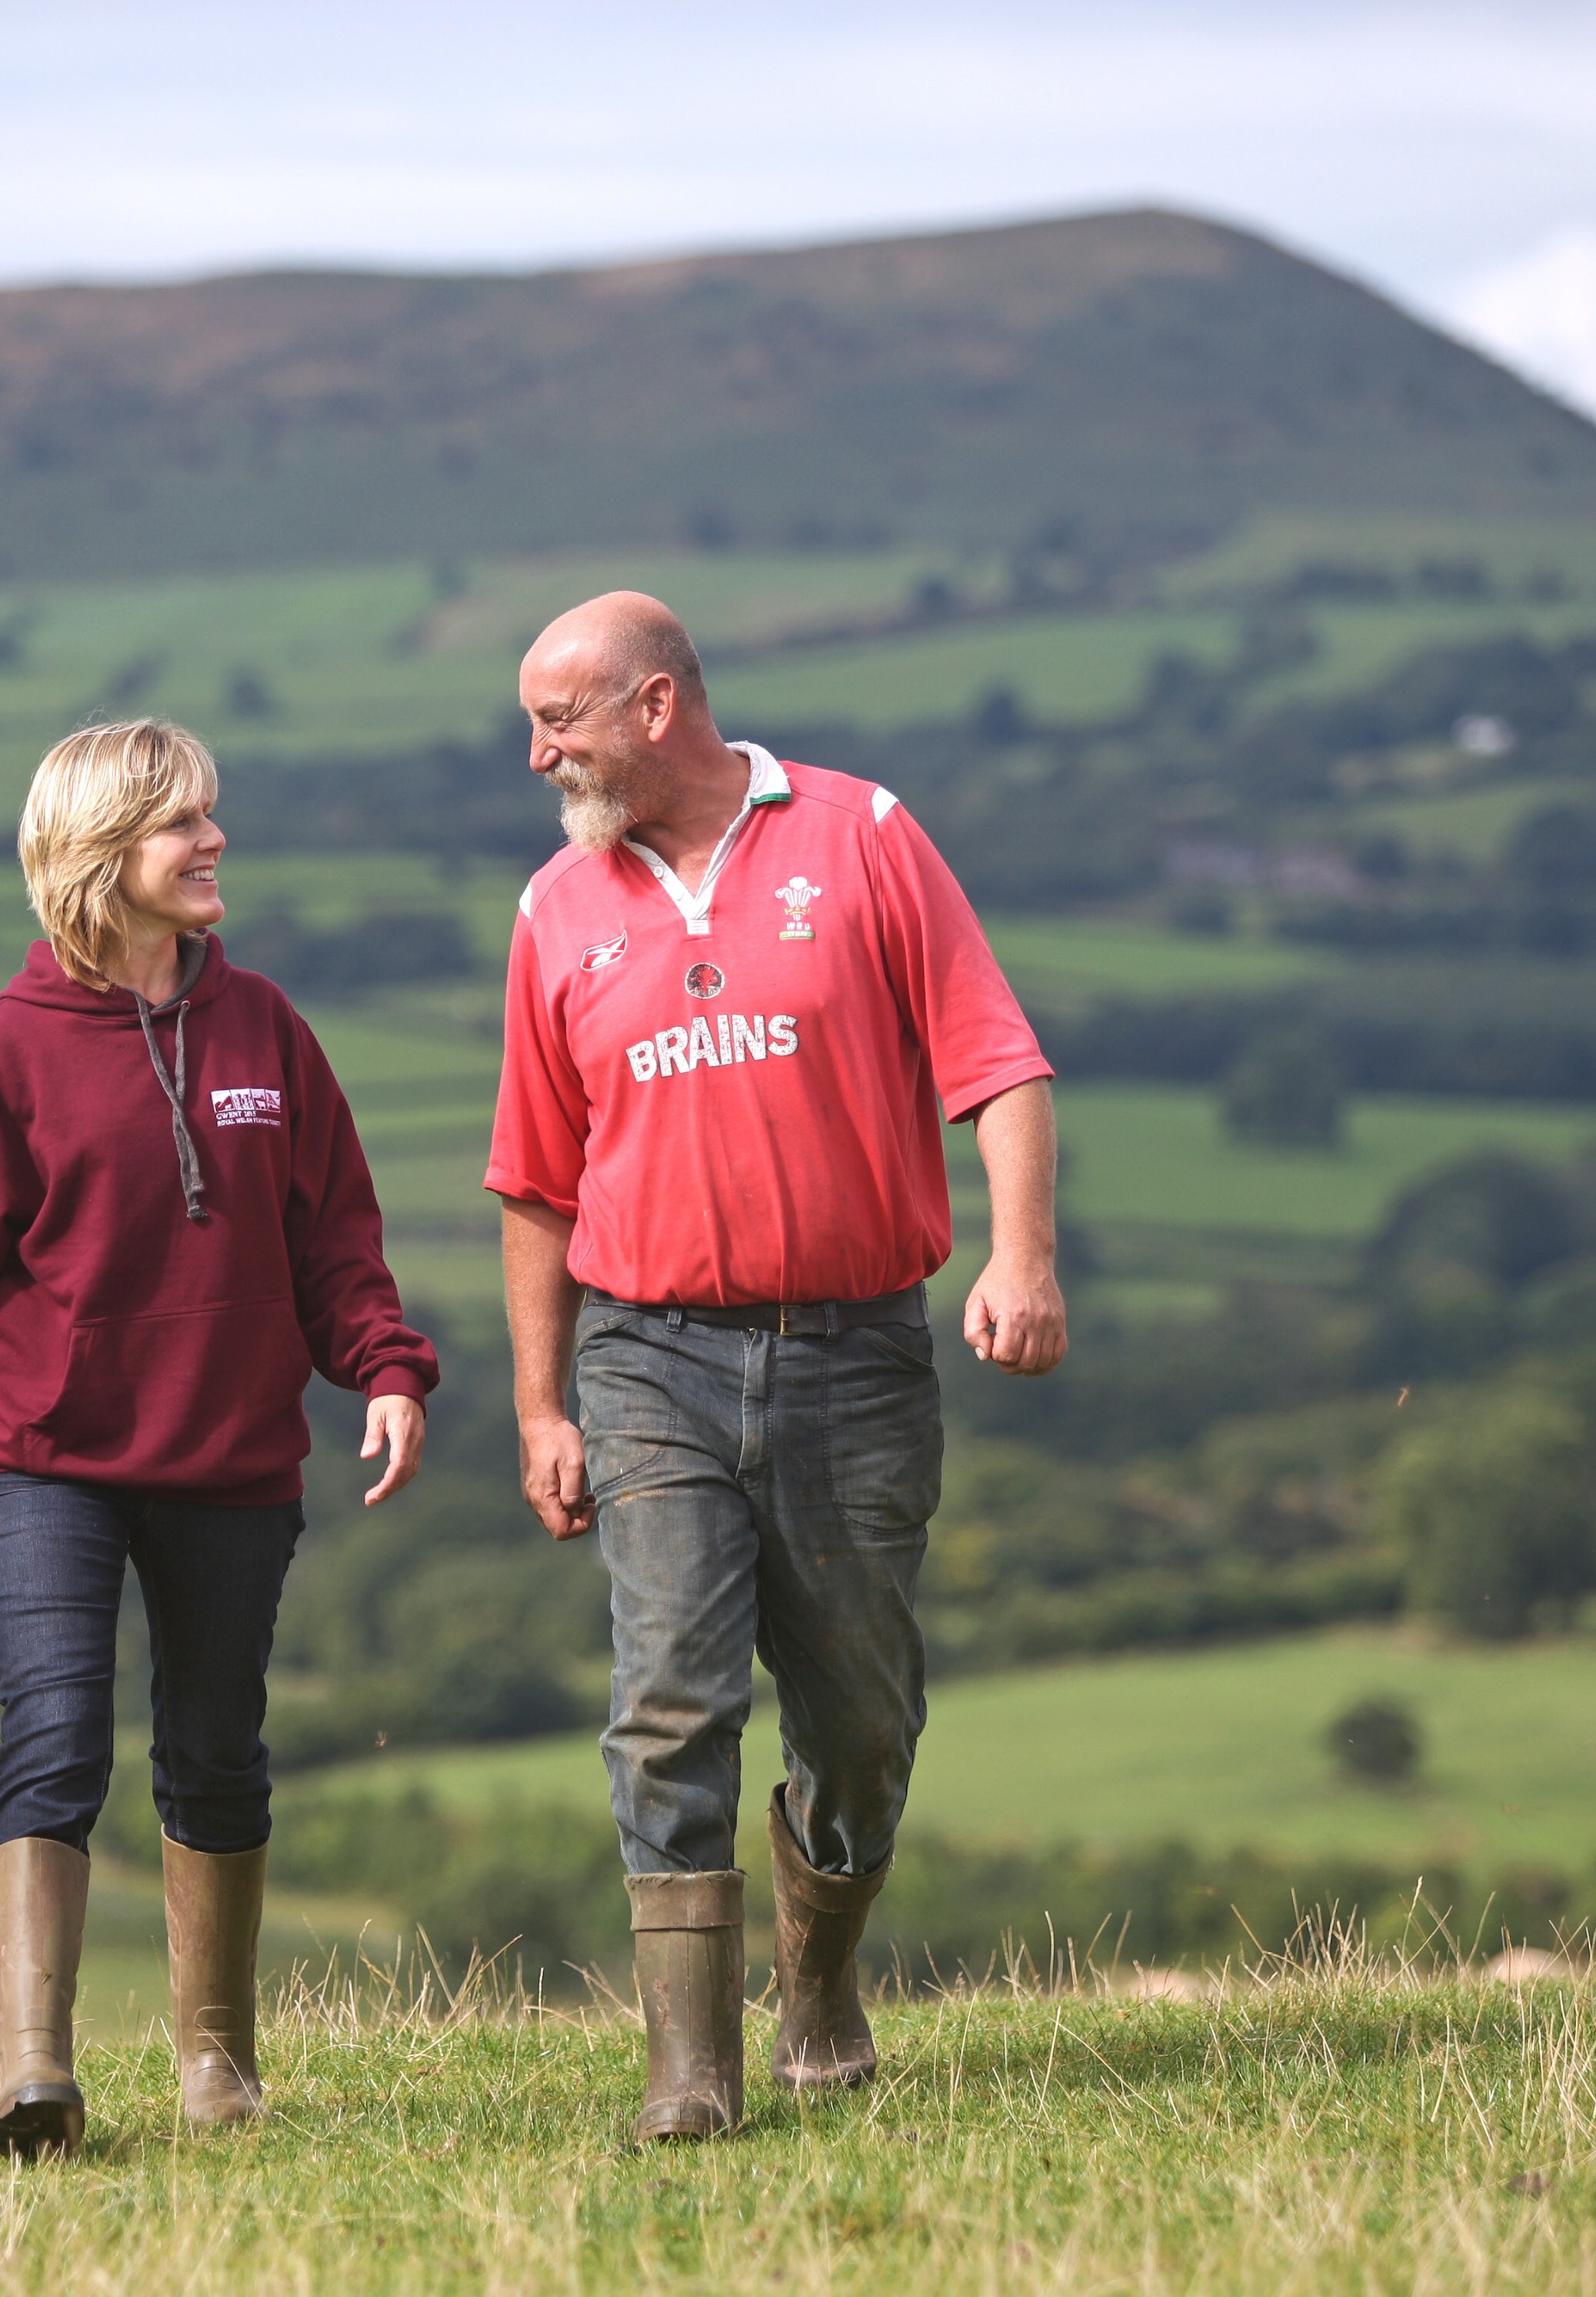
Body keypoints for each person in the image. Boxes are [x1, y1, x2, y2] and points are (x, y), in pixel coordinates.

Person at [485, 592, 1066, 2141]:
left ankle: (816, 1975)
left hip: (854, 1353)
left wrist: (1020, 1255)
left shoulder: (864, 836)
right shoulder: (554, 906)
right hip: (647, 1352)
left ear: (658, 706)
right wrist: (541, 1402)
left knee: (862, 1715)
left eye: (560, 718)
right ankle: (690, 2070)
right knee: (668, 1693)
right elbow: (535, 1184)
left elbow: (995, 1061)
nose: (537, 751)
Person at [0, 718, 438, 2156]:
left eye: (211, 816)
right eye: (183, 823)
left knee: (216, 1752)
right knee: (55, 1736)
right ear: (98, 855)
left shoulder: (266, 1030)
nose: (214, 844)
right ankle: (33, 2077)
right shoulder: (1, 1055)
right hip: (42, 1461)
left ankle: (216, 2068)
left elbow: (334, 1238)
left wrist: (382, 1364)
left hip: (232, 1455)